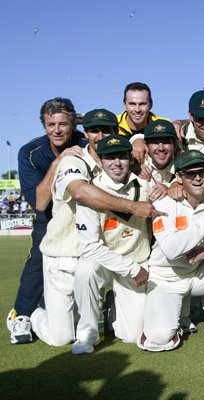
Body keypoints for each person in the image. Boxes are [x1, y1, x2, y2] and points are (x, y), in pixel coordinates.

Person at [29, 109, 157, 346]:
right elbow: (81, 193)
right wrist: (133, 207)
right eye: (94, 130)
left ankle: (106, 310)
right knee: (61, 337)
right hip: (64, 250)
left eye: (106, 130)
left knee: (131, 335)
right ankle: (34, 315)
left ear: (115, 132)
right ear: (85, 133)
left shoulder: (122, 161)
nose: (100, 136)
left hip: (103, 250)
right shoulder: (73, 159)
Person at [137, 149, 204, 351]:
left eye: (202, 172)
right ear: (179, 177)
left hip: (200, 275)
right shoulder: (164, 203)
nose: (197, 178)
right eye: (190, 174)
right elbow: (171, 250)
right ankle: (178, 317)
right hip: (167, 278)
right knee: (159, 339)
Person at [8, 98, 86, 344]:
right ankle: (20, 315)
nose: (57, 130)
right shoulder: (30, 153)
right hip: (49, 216)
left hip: (83, 214)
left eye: (63, 124)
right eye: (51, 124)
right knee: (38, 261)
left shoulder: (86, 142)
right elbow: (39, 203)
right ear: (44, 125)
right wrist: (58, 162)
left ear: (72, 123)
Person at [73, 135, 151, 354]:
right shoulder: (91, 193)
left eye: (122, 157)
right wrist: (131, 268)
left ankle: (110, 308)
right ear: (101, 160)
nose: (117, 163)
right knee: (85, 269)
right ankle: (87, 333)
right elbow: (89, 247)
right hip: (107, 264)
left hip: (137, 261)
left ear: (129, 158)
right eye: (110, 157)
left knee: (133, 335)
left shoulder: (144, 185)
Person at [116, 82, 169, 163]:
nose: (137, 110)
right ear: (124, 105)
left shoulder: (163, 124)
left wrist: (179, 122)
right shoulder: (113, 124)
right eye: (132, 104)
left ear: (151, 105)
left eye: (142, 104)